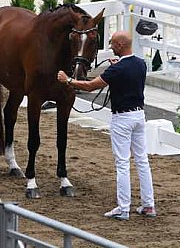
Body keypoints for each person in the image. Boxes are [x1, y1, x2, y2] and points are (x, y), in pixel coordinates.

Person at [57, 31, 156, 221]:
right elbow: (127, 71)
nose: (110, 47)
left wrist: (67, 80)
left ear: (119, 46)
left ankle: (123, 207)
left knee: (122, 163)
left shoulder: (116, 70)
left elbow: (90, 86)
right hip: (139, 115)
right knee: (142, 161)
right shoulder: (140, 64)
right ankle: (148, 205)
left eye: (112, 44)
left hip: (122, 118)